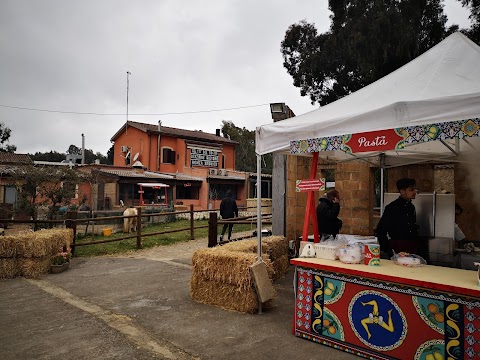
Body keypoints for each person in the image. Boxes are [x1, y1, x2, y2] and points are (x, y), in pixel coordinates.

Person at [376, 178, 419, 258]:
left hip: (412, 246)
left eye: (415, 189)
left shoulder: (411, 207)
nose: (414, 192)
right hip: (397, 247)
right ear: (402, 191)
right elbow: (381, 230)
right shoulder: (392, 208)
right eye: (411, 190)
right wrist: (388, 250)